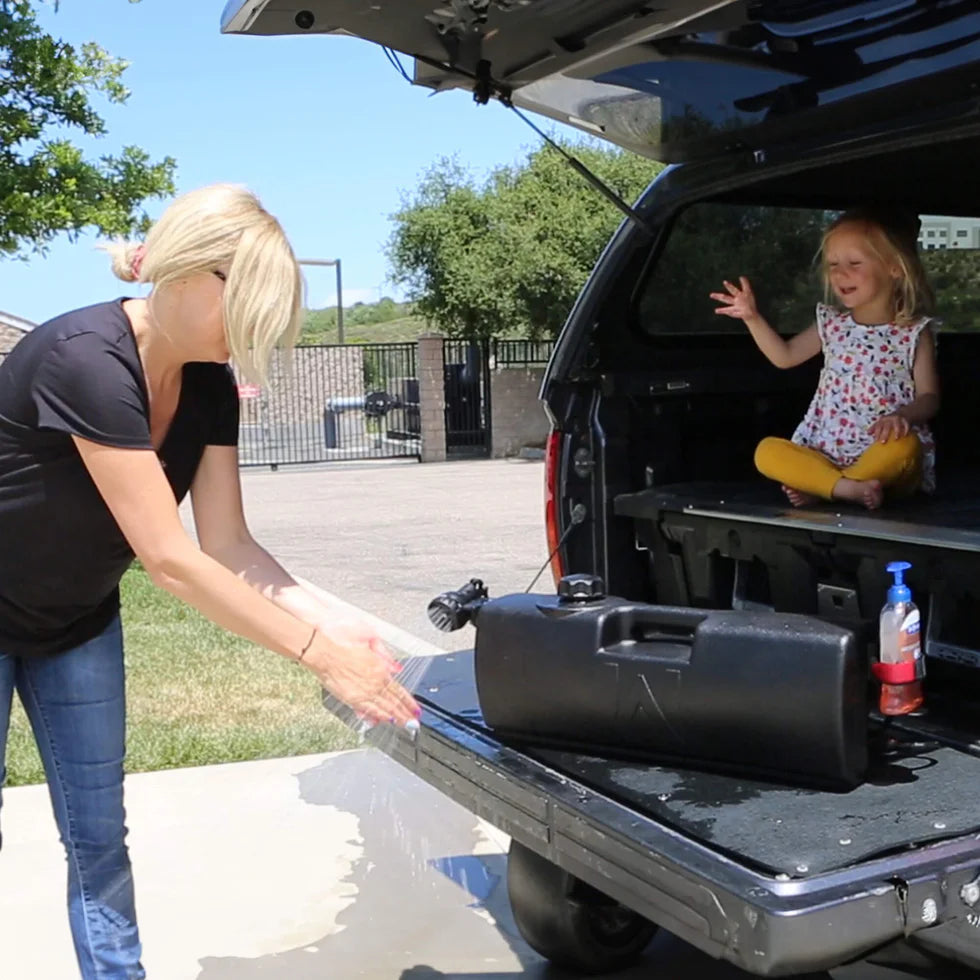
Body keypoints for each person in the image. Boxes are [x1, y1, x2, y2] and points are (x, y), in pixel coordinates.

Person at [0, 184, 420, 979]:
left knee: (98, 838)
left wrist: (329, 624)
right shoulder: (84, 358)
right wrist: (318, 656)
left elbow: (227, 542)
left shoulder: (208, 381)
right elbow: (169, 558)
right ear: (195, 275)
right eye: (250, 306)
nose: (253, 332)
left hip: (76, 623)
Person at [710, 207, 940, 511]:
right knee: (766, 452)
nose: (839, 273)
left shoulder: (913, 332)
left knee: (905, 447)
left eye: (854, 263)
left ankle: (827, 487)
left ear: (894, 268)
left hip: (881, 453)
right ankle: (845, 487)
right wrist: (752, 318)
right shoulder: (831, 324)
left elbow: (929, 397)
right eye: (832, 264)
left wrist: (904, 417)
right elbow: (784, 356)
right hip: (827, 450)